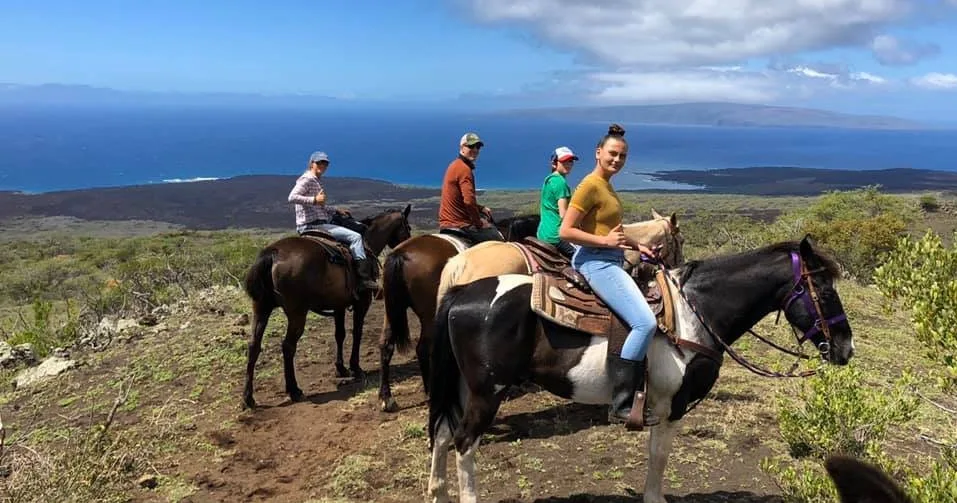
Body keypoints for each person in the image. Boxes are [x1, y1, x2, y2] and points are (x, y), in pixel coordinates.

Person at [558, 124, 661, 430]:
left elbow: (610, 231)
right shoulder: (590, 185)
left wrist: (637, 245)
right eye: (613, 154)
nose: (617, 160)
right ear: (598, 152)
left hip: (610, 257)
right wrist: (605, 244)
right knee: (646, 323)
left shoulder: (607, 185)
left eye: (623, 156)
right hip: (596, 263)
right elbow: (566, 230)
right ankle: (621, 403)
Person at [287, 151, 378, 292]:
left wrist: (336, 210)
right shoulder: (307, 179)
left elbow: (319, 207)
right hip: (315, 225)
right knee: (356, 237)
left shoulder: (315, 180)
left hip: (315, 223)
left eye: (325, 163)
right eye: (319, 162)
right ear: (312, 164)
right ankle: (363, 278)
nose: (323, 165)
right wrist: (314, 199)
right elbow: (292, 197)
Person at [437, 132, 504, 244]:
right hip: (460, 224)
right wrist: (479, 223)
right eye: (471, 146)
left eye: (477, 147)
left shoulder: (454, 165)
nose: (475, 150)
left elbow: (461, 199)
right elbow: (468, 201)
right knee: (499, 239)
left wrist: (480, 208)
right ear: (462, 147)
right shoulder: (464, 170)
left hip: (446, 224)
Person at [536, 146, 578, 258]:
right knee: (582, 258)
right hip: (557, 235)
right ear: (554, 163)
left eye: (571, 161)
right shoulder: (560, 183)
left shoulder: (549, 179)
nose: (568, 164)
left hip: (543, 233)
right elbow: (563, 214)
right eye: (564, 162)